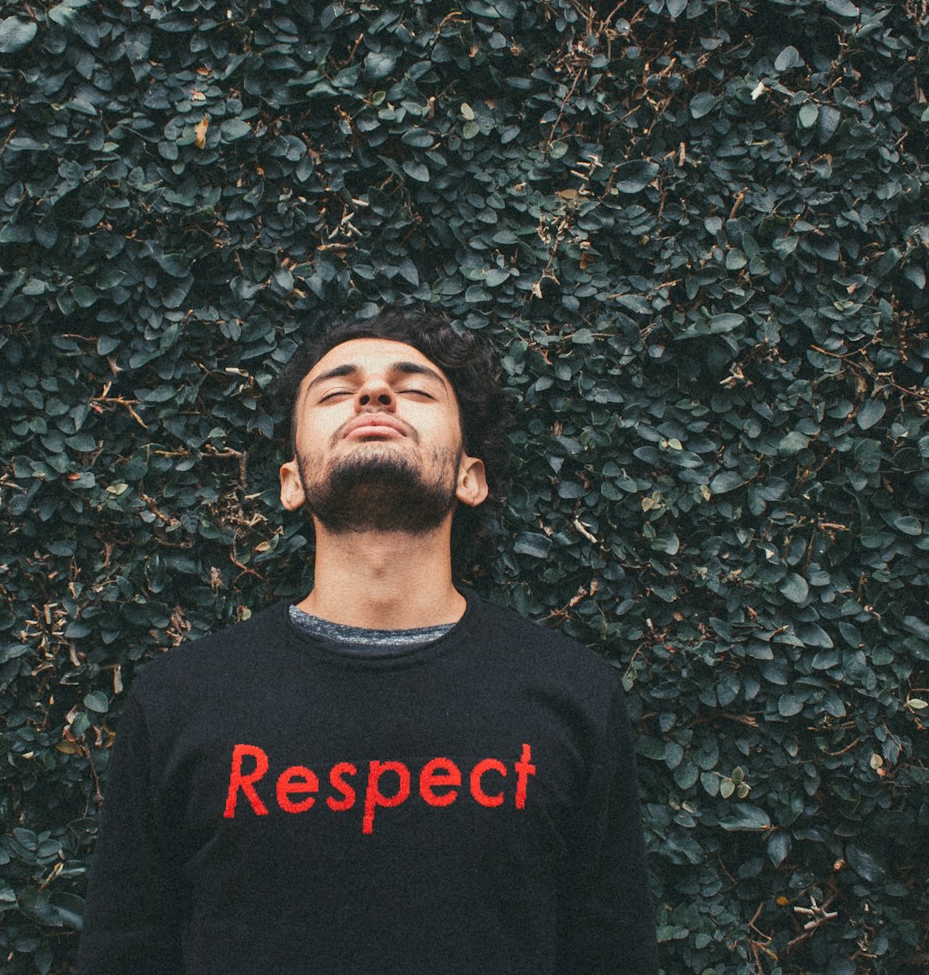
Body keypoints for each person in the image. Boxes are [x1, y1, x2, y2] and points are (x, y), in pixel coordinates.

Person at [76, 308, 657, 975]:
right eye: (335, 390)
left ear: (472, 475)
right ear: (292, 480)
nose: (374, 394)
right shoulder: (178, 699)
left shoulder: (572, 693)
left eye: (413, 388)